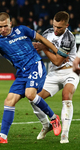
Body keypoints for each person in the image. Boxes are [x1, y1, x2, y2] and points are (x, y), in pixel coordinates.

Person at [0, 12, 61, 143]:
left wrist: (56, 51)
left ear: (10, 23)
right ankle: (3, 137)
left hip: (35, 65)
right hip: (22, 73)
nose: (3, 29)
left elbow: (41, 39)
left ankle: (54, 118)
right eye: (0, 27)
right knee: (9, 100)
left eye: (5, 26)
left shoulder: (22, 29)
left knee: (30, 94)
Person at [30, 11, 79, 144]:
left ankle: (64, 134)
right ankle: (47, 125)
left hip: (70, 72)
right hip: (53, 73)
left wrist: (44, 48)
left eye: (60, 27)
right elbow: (36, 46)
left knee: (66, 95)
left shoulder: (69, 38)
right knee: (33, 98)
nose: (56, 30)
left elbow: (58, 61)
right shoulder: (47, 33)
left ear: (67, 25)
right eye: (55, 26)